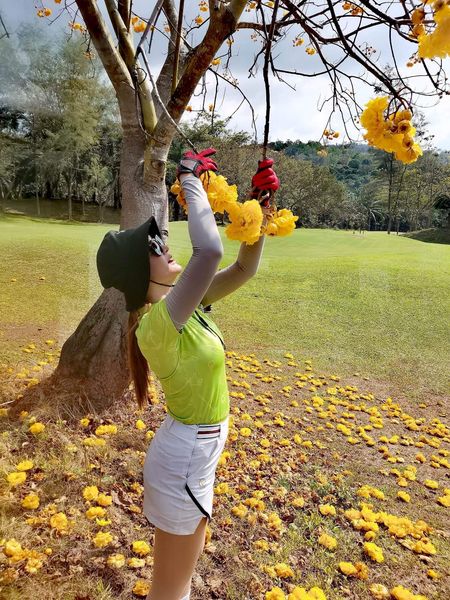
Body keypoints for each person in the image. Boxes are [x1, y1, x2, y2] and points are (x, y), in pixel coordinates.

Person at [96, 149, 279, 600]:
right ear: (140, 272)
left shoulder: (185, 305)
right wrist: (188, 178)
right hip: (184, 460)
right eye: (154, 246)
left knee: (181, 583)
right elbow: (211, 250)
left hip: (198, 451)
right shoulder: (156, 325)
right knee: (170, 591)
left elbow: (241, 267)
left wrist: (259, 207)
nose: (165, 244)